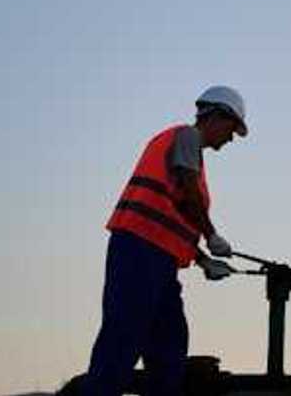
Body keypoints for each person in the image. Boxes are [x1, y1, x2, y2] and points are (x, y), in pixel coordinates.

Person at [84, 86, 248, 396]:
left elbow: (175, 215)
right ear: (216, 116)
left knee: (169, 347)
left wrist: (203, 261)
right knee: (123, 338)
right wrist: (211, 234)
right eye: (232, 129)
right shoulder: (186, 137)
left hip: (158, 260)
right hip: (138, 251)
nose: (230, 139)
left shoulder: (190, 154)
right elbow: (187, 190)